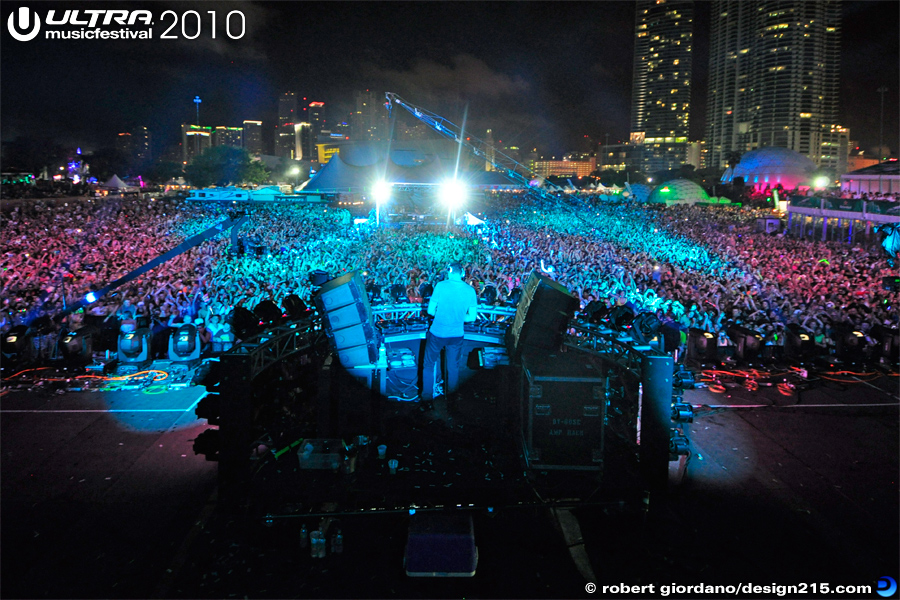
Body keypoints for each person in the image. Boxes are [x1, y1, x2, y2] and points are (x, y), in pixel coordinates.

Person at [420, 261, 478, 414]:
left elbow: (431, 311)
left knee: (428, 365)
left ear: (449, 272)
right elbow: (472, 317)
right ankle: (452, 402)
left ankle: (427, 401)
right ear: (462, 273)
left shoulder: (441, 286)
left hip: (437, 333)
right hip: (457, 335)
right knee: (453, 368)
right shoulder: (470, 291)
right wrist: (458, 318)